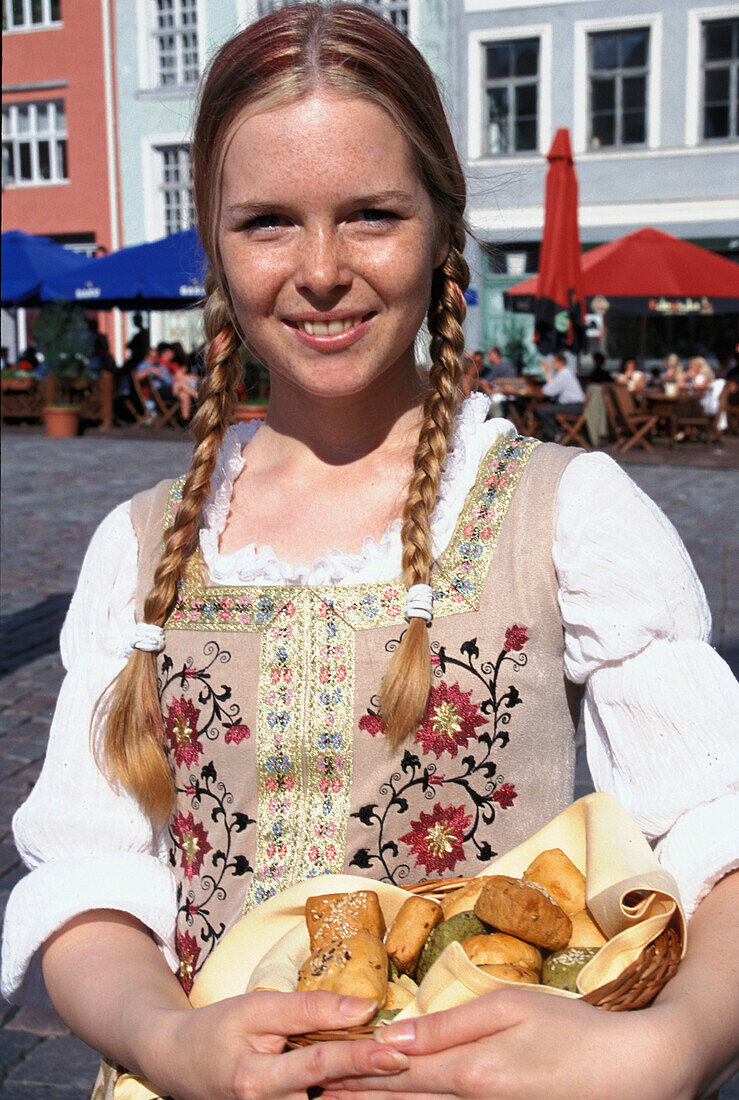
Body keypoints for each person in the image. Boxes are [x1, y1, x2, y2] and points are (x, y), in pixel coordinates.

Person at [1, 7, 737, 1100]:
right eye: (266, 222)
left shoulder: (564, 510)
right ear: (214, 238)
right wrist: (164, 1035)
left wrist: (667, 1049)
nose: (322, 269)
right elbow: (89, 876)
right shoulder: (141, 544)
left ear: (441, 225)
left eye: (371, 214)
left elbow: (717, 830)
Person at [535, 351, 585, 441]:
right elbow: (551, 388)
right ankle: (556, 434)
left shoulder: (563, 374)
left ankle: (554, 436)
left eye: (554, 362)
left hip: (573, 407)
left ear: (561, 362)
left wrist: (547, 372)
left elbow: (548, 391)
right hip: (574, 405)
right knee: (547, 409)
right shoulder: (565, 373)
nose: (552, 365)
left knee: (542, 410)